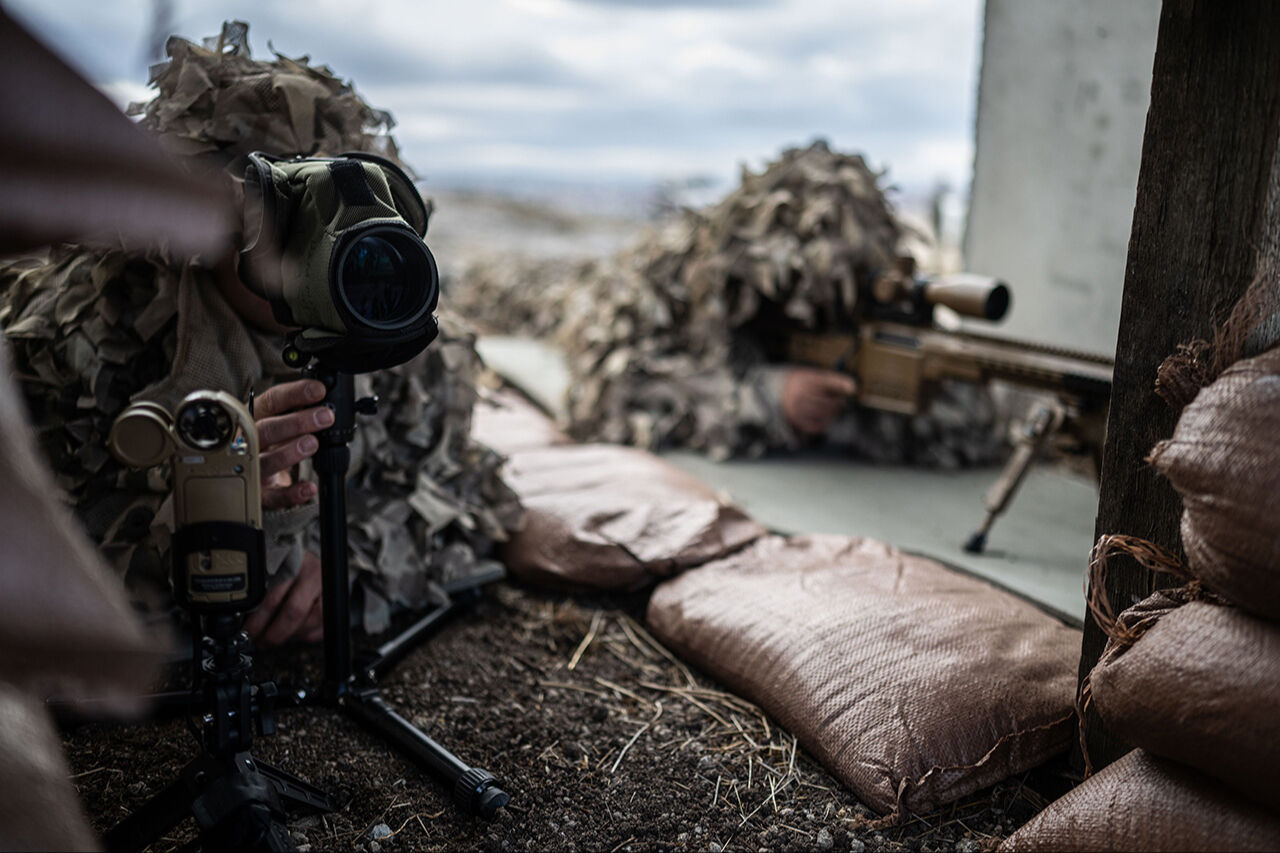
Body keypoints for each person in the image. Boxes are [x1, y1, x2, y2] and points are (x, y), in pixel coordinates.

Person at [0, 23, 519, 643]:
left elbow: (467, 497)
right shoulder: (78, 337)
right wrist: (203, 510)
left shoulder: (406, 329)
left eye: (351, 214)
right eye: (293, 214)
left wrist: (345, 554)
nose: (327, 246)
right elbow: (38, 546)